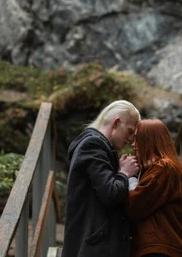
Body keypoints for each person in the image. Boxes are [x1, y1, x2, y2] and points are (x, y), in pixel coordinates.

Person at [62, 100, 141, 257]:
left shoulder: (99, 146)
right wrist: (124, 173)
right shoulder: (93, 144)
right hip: (94, 247)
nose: (131, 139)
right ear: (116, 123)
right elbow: (110, 193)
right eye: (130, 131)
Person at [126, 119, 182, 257]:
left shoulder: (163, 168)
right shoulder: (161, 169)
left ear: (149, 140)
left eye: (137, 139)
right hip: (161, 247)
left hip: (160, 249)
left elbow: (134, 206)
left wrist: (129, 177)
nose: (133, 145)